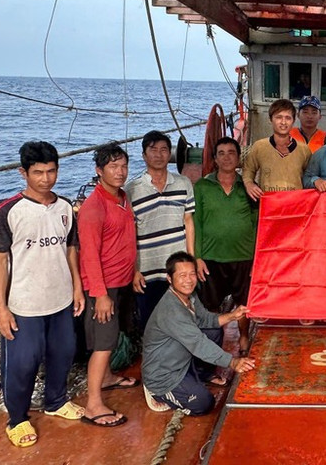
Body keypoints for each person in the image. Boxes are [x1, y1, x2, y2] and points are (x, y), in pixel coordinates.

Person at [0, 141, 85, 448]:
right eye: (38, 172)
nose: (46, 179)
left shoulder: (65, 208)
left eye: (52, 171)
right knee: (23, 361)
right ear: (24, 172)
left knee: (63, 351)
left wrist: (77, 287)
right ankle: (16, 418)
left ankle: (55, 401)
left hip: (59, 298)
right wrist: (1, 307)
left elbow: (71, 249)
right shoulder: (8, 211)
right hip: (24, 302)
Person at [142, 252, 256, 415]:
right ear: (169, 278)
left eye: (192, 274)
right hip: (164, 374)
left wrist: (232, 316)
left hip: (181, 361)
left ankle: (202, 374)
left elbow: (205, 320)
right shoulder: (172, 311)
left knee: (213, 330)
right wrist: (232, 362)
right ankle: (157, 392)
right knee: (204, 403)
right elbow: (199, 344)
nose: (188, 280)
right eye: (182, 275)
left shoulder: (190, 296)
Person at [78, 142, 138, 428]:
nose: (120, 172)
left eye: (123, 165)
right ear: (99, 170)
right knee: (102, 345)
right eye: (113, 166)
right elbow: (88, 254)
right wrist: (100, 295)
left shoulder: (123, 198)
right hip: (104, 287)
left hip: (123, 280)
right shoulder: (93, 207)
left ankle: (108, 378)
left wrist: (135, 271)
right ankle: (93, 404)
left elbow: (126, 239)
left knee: (113, 338)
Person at [125, 130, 195, 330]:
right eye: (153, 150)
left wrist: (191, 260)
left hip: (177, 269)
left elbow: (188, 222)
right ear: (144, 155)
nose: (159, 154)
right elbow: (129, 234)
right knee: (150, 323)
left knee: (182, 321)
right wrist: (134, 270)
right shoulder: (132, 190)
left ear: (170, 154)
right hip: (147, 270)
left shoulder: (183, 183)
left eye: (164, 149)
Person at [194, 137, 257, 356]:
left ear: (238, 158)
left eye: (231, 152)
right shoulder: (202, 186)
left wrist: (257, 257)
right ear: (214, 159)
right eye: (221, 153)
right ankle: (213, 340)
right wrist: (197, 257)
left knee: (243, 302)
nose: (227, 157)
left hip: (244, 255)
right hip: (212, 257)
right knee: (211, 304)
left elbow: (257, 224)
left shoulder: (249, 188)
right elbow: (197, 223)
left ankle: (243, 336)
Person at [243, 98, 312, 200]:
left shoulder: (304, 150)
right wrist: (249, 184)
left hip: (295, 205)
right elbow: (248, 170)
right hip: (269, 205)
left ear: (293, 121)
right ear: (270, 119)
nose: (283, 122)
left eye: (288, 118)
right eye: (278, 117)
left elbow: (310, 176)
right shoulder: (259, 146)